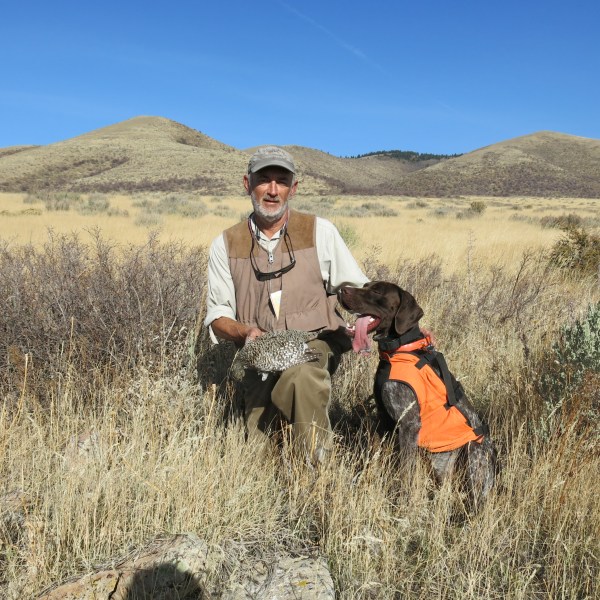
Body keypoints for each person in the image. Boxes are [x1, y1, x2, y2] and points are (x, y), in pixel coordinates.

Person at [204, 146, 368, 462]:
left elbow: (356, 291)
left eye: (282, 181)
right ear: (247, 184)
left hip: (313, 342)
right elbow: (218, 316)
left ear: (293, 188)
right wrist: (245, 333)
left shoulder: (320, 232)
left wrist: (400, 326)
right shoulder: (225, 244)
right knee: (257, 452)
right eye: (263, 179)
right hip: (260, 352)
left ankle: (316, 470)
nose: (272, 190)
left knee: (301, 376)